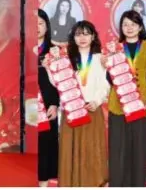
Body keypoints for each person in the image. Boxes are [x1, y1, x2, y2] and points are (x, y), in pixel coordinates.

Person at [106, 10, 146, 187]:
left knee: (140, 153)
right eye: (125, 24)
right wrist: (108, 65)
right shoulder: (115, 49)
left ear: (140, 27)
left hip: (144, 106)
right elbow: (109, 79)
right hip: (118, 106)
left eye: (133, 24)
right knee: (118, 153)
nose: (129, 28)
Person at [59, 19, 108, 186]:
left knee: (92, 150)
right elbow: (57, 83)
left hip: (92, 108)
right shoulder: (66, 59)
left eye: (86, 34)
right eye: (78, 34)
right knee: (70, 151)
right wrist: (49, 68)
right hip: (71, 110)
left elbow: (105, 84)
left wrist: (97, 101)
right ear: (73, 37)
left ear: (93, 36)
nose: (82, 38)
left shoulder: (101, 58)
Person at [37, 10, 60, 185]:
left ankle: (43, 184)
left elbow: (62, 80)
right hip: (26, 106)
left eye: (40, 23)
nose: (36, 27)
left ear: (47, 26)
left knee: (46, 147)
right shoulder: (20, 48)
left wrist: (55, 104)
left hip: (47, 106)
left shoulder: (55, 51)